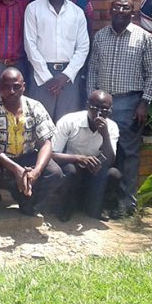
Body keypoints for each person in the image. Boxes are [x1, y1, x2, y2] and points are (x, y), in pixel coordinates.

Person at [87, 0, 152, 217]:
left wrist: (144, 103)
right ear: (110, 11)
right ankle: (102, 200)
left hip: (129, 102)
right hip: (101, 105)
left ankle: (127, 203)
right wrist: (90, 102)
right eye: (116, 7)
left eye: (125, 7)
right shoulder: (100, 36)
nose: (120, 10)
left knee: (127, 153)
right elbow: (92, 70)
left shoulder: (144, 38)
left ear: (132, 13)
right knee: (102, 150)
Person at [0, 68, 63, 219]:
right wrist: (16, 169)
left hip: (26, 156)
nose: (12, 91)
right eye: (6, 87)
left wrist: (36, 171)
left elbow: (46, 143)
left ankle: (30, 203)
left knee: (55, 173)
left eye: (16, 86)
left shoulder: (35, 107)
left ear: (24, 87)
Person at [24, 0, 89, 121]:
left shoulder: (77, 13)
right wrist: (48, 77)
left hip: (68, 77)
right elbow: (30, 44)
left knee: (66, 124)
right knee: (39, 123)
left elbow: (83, 47)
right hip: (41, 76)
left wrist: (65, 76)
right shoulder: (33, 9)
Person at [52, 90, 121, 221]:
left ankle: (96, 207)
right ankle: (64, 208)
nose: (99, 113)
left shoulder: (112, 127)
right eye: (95, 108)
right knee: (70, 170)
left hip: (93, 169)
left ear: (110, 111)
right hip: (72, 164)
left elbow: (110, 161)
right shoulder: (69, 121)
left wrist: (105, 135)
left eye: (104, 109)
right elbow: (53, 155)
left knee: (113, 174)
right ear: (87, 106)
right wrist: (78, 159)